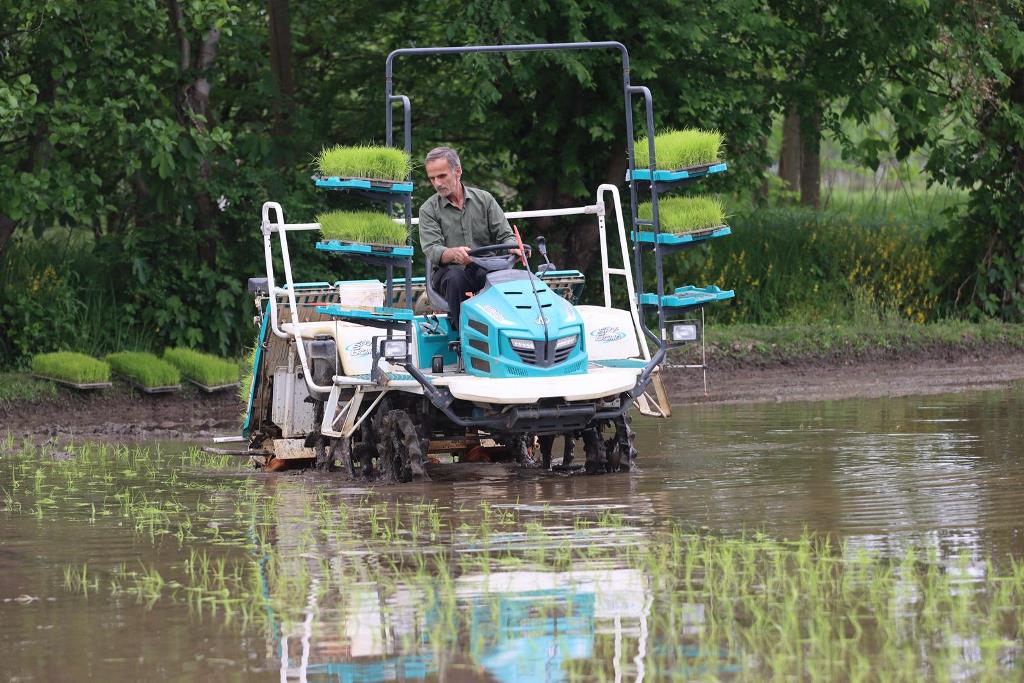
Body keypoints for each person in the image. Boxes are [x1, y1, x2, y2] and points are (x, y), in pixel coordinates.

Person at [418, 146, 517, 330]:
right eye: (432, 178)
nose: (437, 183)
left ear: (458, 171)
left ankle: (510, 332)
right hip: (448, 272)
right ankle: (464, 334)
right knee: (456, 277)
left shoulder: (485, 199)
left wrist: (513, 247)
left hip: (484, 267)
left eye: (441, 176)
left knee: (507, 277)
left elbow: (505, 235)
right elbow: (432, 249)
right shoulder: (428, 209)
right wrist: (453, 254)